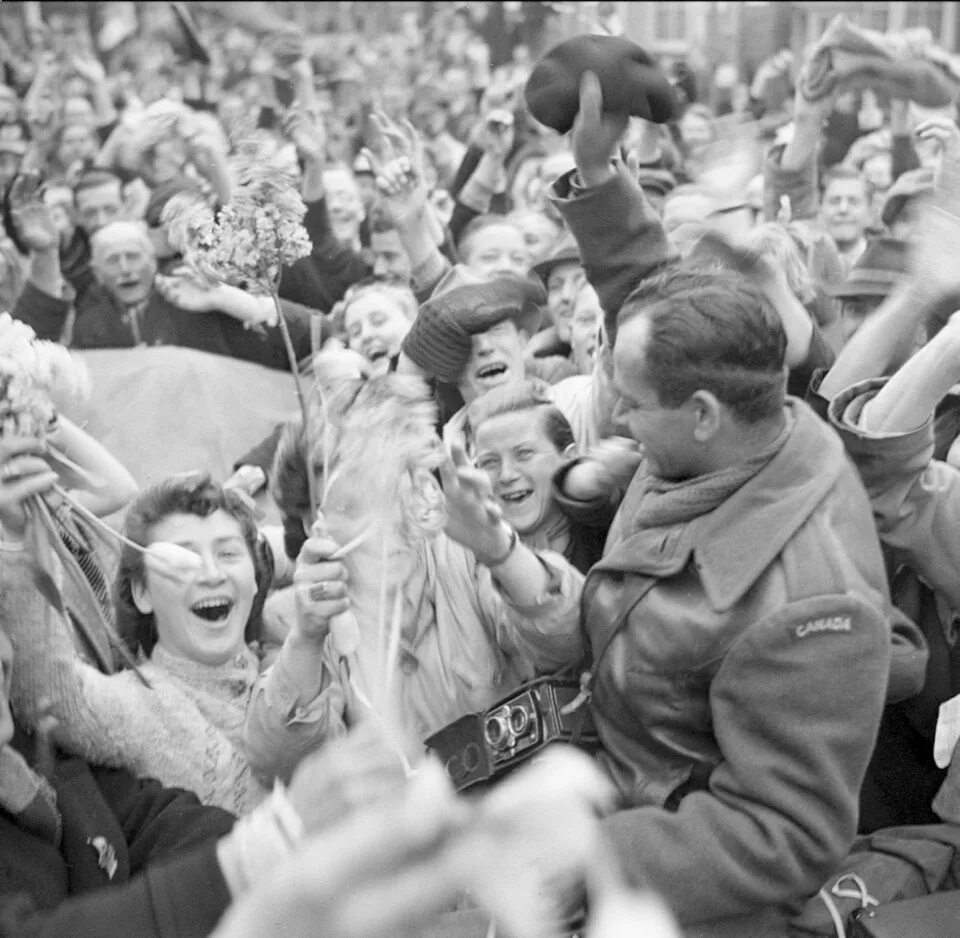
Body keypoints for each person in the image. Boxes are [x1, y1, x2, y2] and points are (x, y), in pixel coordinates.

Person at [532, 69, 921, 934]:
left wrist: (590, 862)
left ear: (701, 415)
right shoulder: (749, 410)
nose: (618, 419)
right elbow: (657, 310)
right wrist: (598, 174)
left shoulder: (803, 601)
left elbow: (787, 833)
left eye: (631, 404)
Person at [244, 370, 585, 779]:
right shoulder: (292, 619)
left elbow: (570, 639)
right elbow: (278, 764)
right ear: (309, 516)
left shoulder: (463, 556)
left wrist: (500, 551)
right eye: (349, 504)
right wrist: (306, 636)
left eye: (387, 485)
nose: (379, 515)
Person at [11, 212, 318, 372]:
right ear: (97, 274)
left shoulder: (194, 297)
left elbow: (310, 334)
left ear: (153, 262)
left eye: (133, 257)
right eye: (113, 261)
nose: (126, 269)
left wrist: (226, 299)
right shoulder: (89, 323)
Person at [466, 378, 610, 573]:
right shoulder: (467, 560)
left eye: (524, 454)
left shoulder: (609, 530)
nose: (506, 475)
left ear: (570, 459)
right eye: (490, 462)